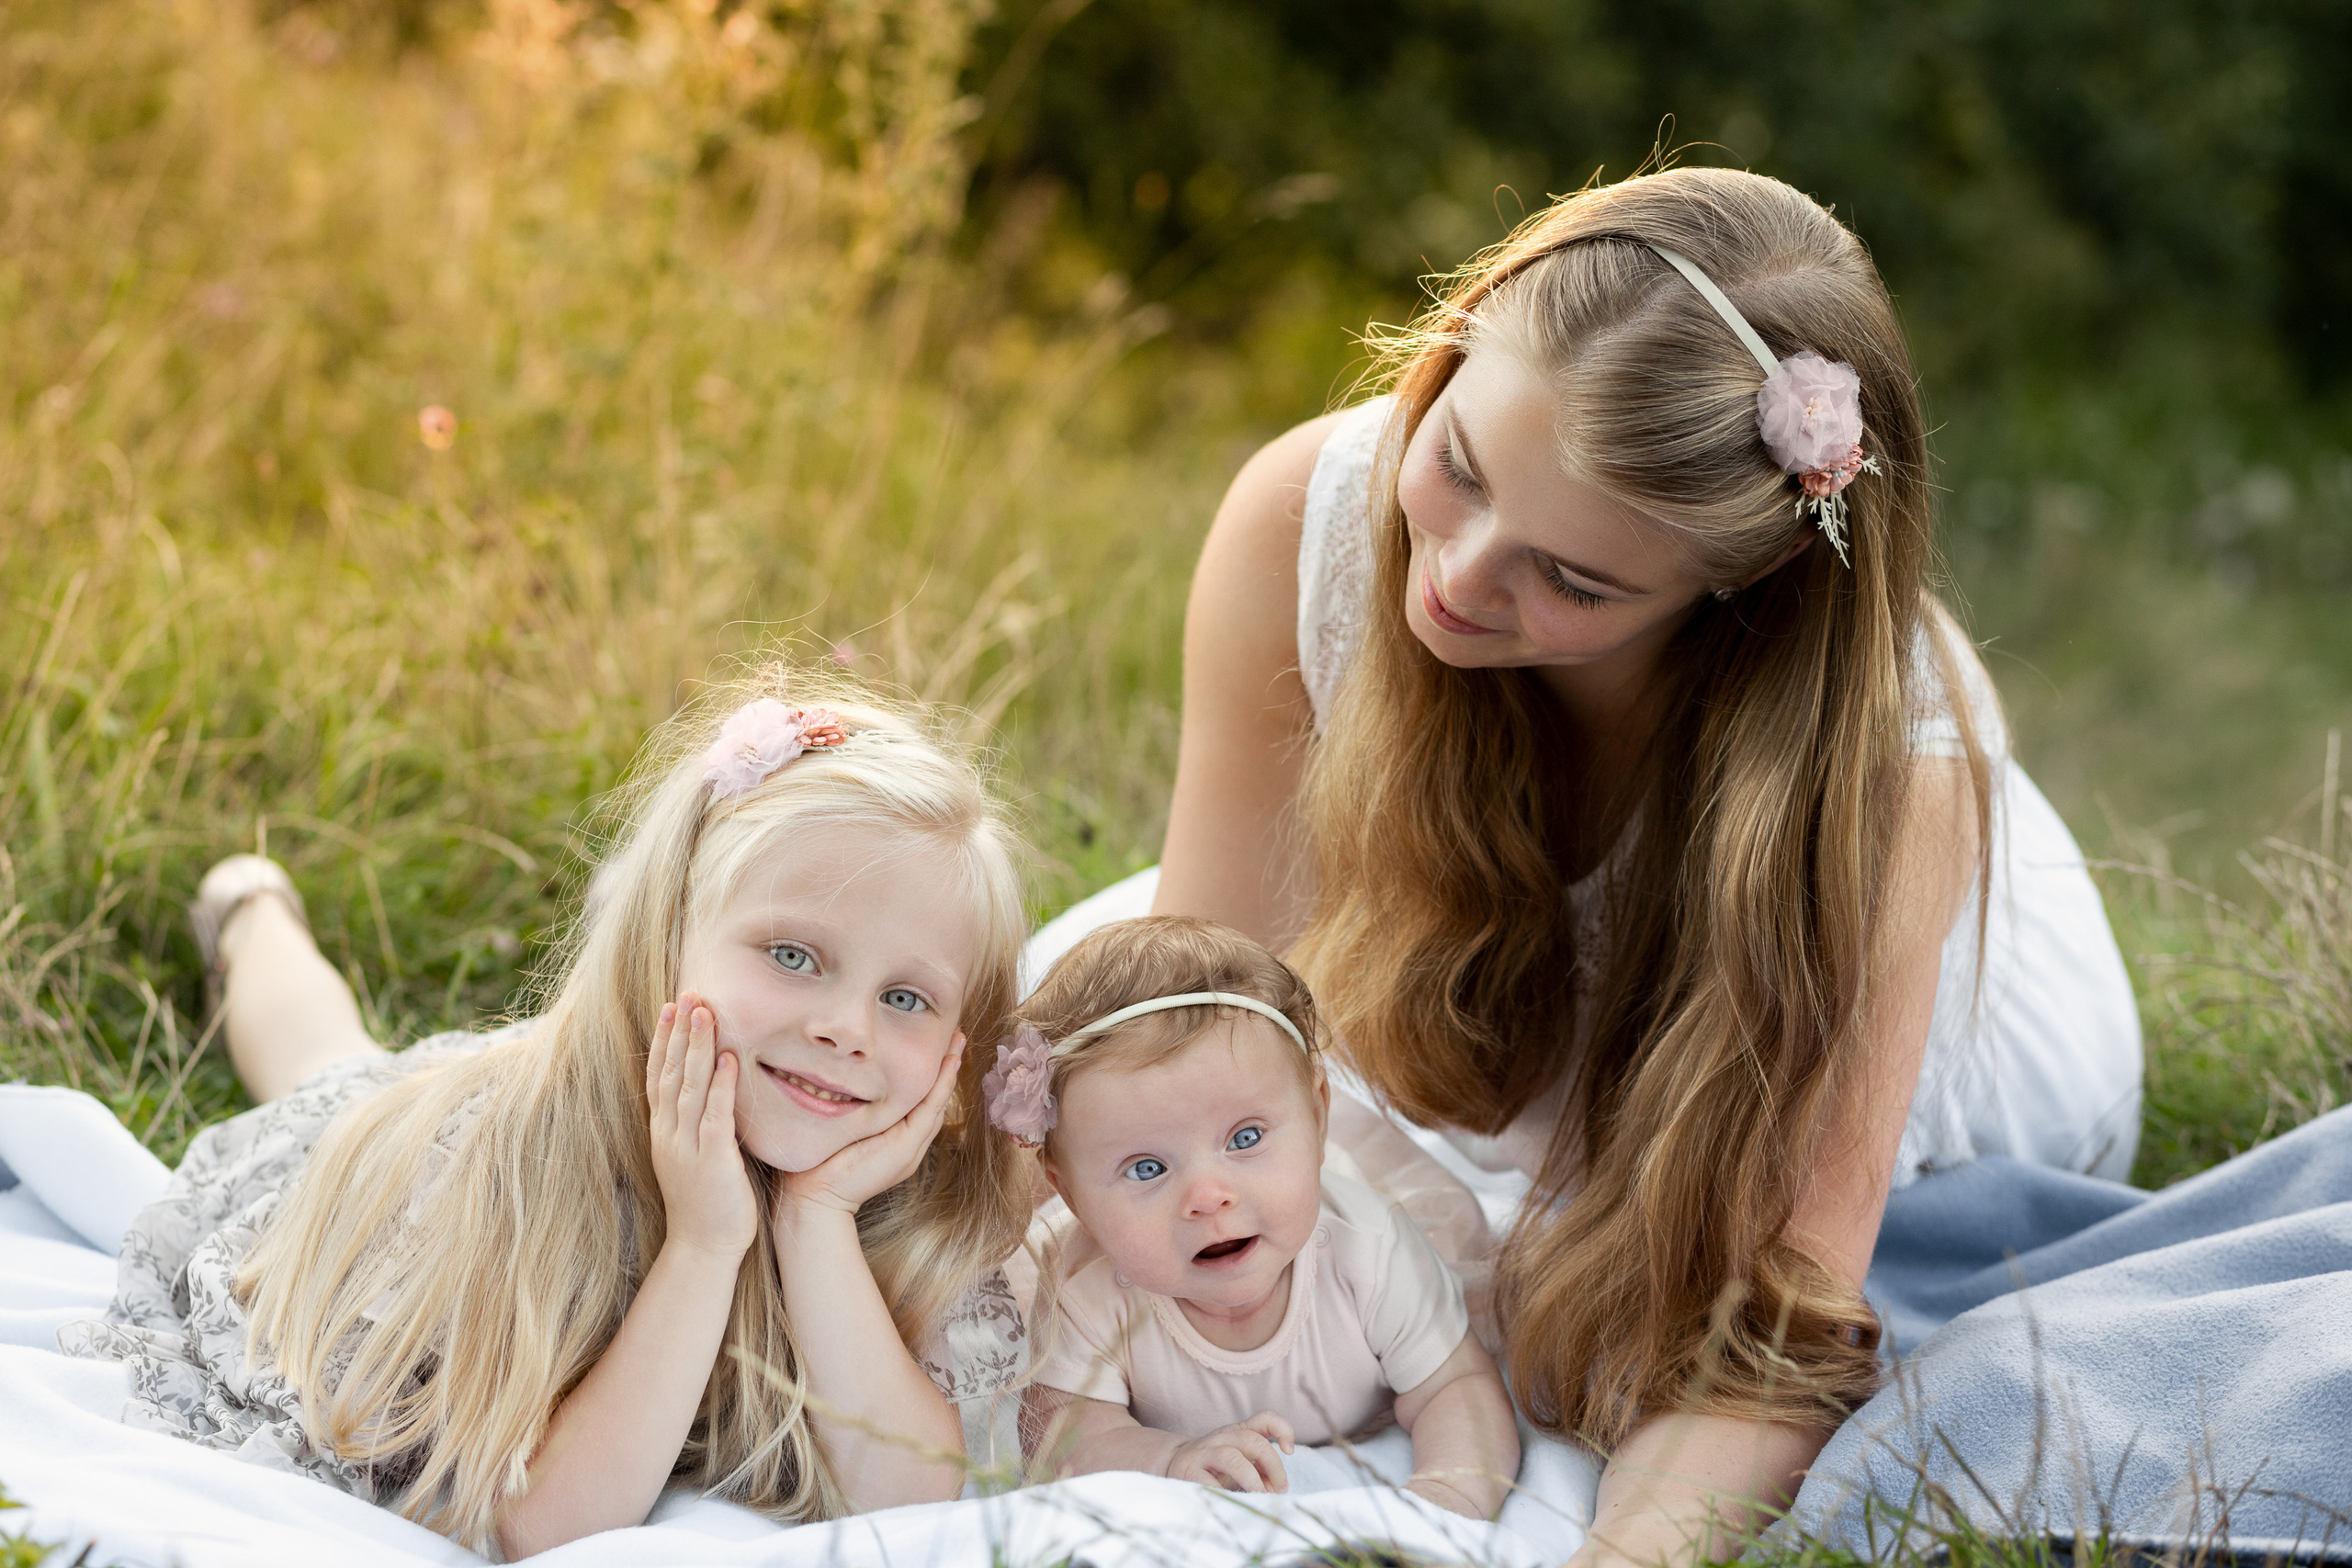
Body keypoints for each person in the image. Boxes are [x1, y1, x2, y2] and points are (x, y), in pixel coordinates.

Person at [1027, 165, 2143, 1564]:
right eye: (1463, 466)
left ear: (1730, 590)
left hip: (1919, 991)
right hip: (1490, 955)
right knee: (1053, 1034)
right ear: (1462, 334)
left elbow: (1775, 1317)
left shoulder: (1880, 759)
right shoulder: (1308, 515)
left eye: (1578, 582)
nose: (1463, 575)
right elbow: (1186, 1033)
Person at [63, 673, 1036, 1558]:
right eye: (793, 955)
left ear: (961, 1045)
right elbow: (543, 1524)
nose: (846, 1030)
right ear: (666, 940)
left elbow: (915, 1503)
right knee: (328, 1063)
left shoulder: (908, 1201)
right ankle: (249, 907)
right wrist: (702, 1246)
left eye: (906, 1000)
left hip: (661, 1050)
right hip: (431, 1144)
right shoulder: (498, 1161)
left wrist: (812, 1221)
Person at [1005, 917, 1521, 1520]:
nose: (1209, 1195)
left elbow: (1456, 1388)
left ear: (1317, 1115)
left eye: (1245, 1137)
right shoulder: (1088, 1296)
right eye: (1146, 1168)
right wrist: (1167, 1458)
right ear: (1069, 1196)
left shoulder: (1368, 1252)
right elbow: (1060, 1441)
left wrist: (1443, 1504)